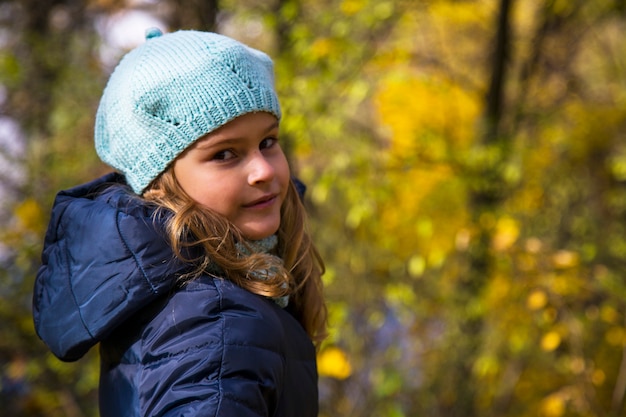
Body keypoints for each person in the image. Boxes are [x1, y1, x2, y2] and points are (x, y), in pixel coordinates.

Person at [32, 28, 327, 417]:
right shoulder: (215, 324)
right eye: (225, 153)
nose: (262, 170)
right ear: (161, 182)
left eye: (268, 142)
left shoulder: (197, 298)